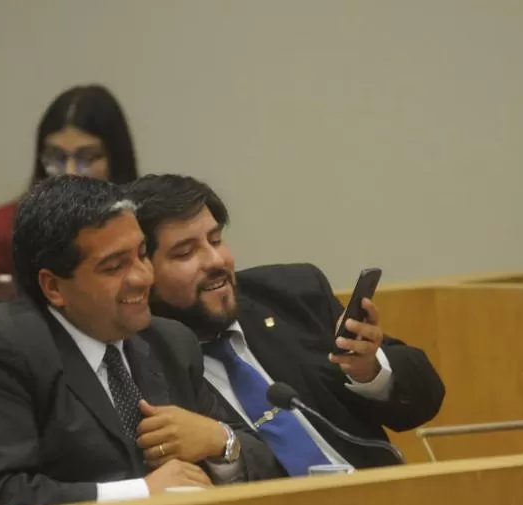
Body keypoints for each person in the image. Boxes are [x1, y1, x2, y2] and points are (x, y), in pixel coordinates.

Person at [0, 175, 282, 505]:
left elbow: (266, 460)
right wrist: (140, 493)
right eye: (114, 267)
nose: (142, 277)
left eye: (142, 254)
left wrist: (221, 441)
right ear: (53, 287)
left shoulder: (169, 342)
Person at [123, 174, 445, 476]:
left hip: (384, 501)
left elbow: (424, 400)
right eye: (185, 253)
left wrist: (369, 370)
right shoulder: (139, 364)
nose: (216, 261)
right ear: (143, 272)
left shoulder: (291, 293)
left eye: (216, 239)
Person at [0, 84, 139, 316]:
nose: (70, 172)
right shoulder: (3, 229)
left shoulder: (144, 222)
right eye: (56, 157)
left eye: (87, 157)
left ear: (116, 159)